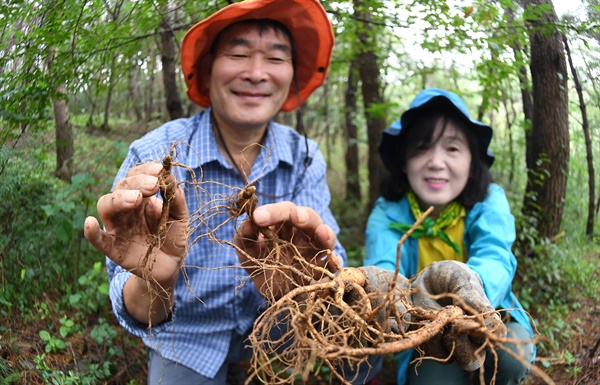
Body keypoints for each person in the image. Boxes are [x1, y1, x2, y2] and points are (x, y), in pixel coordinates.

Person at [84, 0, 379, 383]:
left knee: (360, 343)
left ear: (292, 74)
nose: (256, 73)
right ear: (207, 70)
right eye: (238, 54)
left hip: (279, 318)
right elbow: (141, 310)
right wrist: (155, 281)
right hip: (188, 331)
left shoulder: (304, 156)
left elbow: (331, 267)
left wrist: (311, 280)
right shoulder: (156, 157)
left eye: (275, 58)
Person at [364, 88, 536, 385]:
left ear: (472, 161)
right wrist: (387, 295)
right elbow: (382, 266)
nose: (436, 162)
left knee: (511, 355)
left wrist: (470, 280)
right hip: (425, 329)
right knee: (431, 379)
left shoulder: (489, 200)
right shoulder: (387, 211)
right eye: (421, 148)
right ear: (404, 162)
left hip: (491, 310)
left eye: (452, 149)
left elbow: (496, 254)